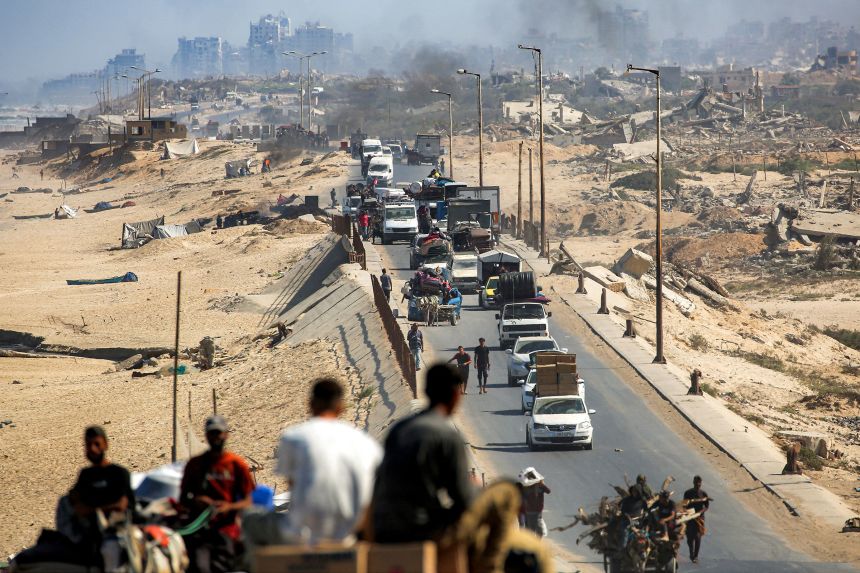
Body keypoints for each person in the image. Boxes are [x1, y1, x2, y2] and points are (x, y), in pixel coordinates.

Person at [370, 364, 521, 573]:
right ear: (455, 395)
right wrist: (476, 488)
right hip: (424, 531)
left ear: (426, 391)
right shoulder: (447, 435)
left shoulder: (399, 428)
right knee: (507, 493)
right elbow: (463, 498)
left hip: (384, 528)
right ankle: (489, 567)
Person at [243, 379, 382, 548]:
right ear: (341, 407)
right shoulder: (366, 443)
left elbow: (293, 487)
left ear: (310, 404)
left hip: (301, 534)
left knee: (249, 520)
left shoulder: (293, 438)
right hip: (349, 534)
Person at [180, 415, 254, 573]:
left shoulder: (236, 464)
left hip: (227, 530)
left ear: (226, 434)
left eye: (218, 433)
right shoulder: (195, 464)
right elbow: (183, 498)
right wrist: (198, 501)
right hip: (199, 531)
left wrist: (229, 507)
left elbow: (250, 499)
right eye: (212, 433)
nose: (215, 437)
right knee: (199, 567)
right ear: (206, 436)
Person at [57, 426, 135, 551]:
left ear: (106, 445)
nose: (93, 449)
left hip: (117, 535)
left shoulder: (119, 473)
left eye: (97, 444)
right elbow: (76, 505)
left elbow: (123, 507)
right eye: (88, 445)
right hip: (90, 537)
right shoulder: (86, 475)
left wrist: (91, 510)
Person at [683, 476, 710, 564]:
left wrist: (701, 512)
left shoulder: (704, 494)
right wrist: (687, 512)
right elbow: (684, 505)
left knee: (698, 537)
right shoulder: (688, 493)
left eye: (699, 483)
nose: (698, 484)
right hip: (690, 517)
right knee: (689, 538)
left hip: (699, 518)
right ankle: (691, 552)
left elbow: (706, 506)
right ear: (693, 482)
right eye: (696, 483)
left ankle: (695, 556)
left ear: (701, 483)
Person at [518, 467, 550, 538]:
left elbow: (548, 491)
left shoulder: (528, 487)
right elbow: (548, 491)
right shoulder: (538, 486)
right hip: (533, 511)